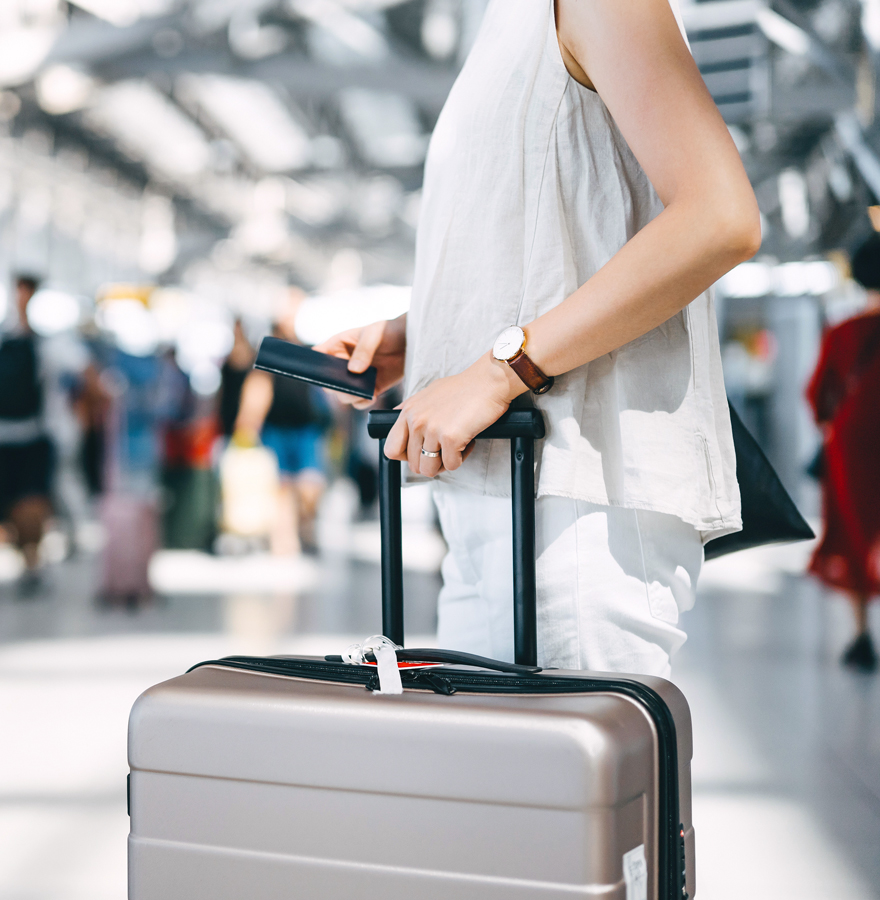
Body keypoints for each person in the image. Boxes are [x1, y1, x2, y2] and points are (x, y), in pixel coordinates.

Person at [315, 0, 760, 677]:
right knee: (509, 776)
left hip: (569, 509)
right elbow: (554, 237)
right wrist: (421, 335)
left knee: (569, 773)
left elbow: (720, 216)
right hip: (500, 502)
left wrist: (499, 371)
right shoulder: (506, 24)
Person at [806, 234, 880, 673]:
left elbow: (818, 392)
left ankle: (860, 633)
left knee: (857, 530)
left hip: (853, 444)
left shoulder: (843, 330)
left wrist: (830, 425)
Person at [0, 275, 54, 593]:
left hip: (23, 435)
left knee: (28, 503)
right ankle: (28, 558)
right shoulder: (8, 340)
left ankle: (30, 559)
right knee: (17, 504)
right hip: (13, 435)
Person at [236, 315, 328, 555]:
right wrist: (248, 421)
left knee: (310, 486)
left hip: (305, 428)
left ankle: (305, 527)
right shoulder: (267, 353)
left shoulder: (306, 350)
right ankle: (285, 540)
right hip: (276, 428)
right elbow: (258, 385)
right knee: (282, 487)